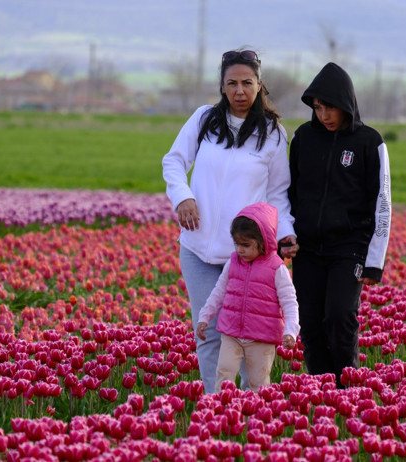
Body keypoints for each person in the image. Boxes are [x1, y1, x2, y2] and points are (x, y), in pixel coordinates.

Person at [162, 49, 298, 394]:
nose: (240, 91)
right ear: (222, 86)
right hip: (196, 249)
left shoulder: (273, 133)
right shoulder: (204, 120)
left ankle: (248, 409)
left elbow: (279, 193)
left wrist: (286, 235)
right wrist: (183, 197)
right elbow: (174, 162)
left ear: (259, 85)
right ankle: (216, 406)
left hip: (244, 256)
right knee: (206, 331)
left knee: (244, 337)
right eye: (232, 83)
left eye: (247, 83)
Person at [287, 62, 392, 388]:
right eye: (317, 108)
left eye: (329, 107)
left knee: (339, 316)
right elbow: (287, 191)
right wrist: (284, 234)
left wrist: (374, 261)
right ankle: (321, 389)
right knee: (311, 323)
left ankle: (347, 389)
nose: (323, 115)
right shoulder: (303, 138)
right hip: (307, 247)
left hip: (349, 247)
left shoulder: (369, 142)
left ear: (346, 103)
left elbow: (382, 203)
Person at [196, 202, 299, 392]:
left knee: (258, 383)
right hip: (231, 332)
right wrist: (205, 316)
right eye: (236, 243)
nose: (240, 250)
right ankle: (220, 412)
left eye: (246, 245)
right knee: (224, 373)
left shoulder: (277, 268)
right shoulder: (233, 262)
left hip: (262, 337)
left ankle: (257, 418)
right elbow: (219, 292)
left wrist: (291, 331)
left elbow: (289, 302)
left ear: (263, 242)